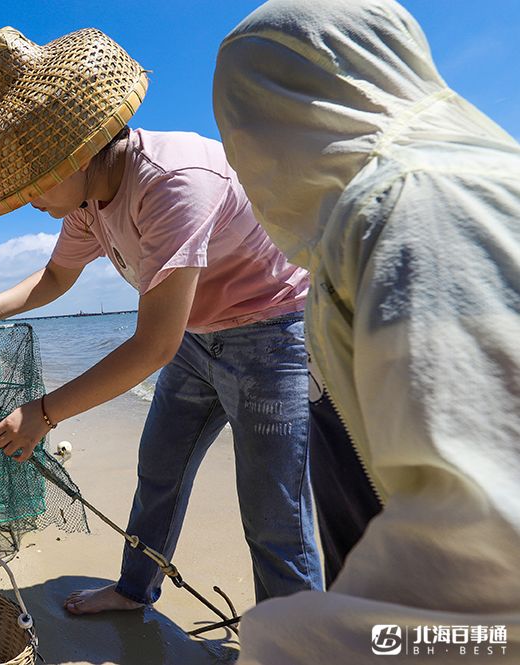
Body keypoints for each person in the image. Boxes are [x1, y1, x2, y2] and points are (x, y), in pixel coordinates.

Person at [0, 26, 323, 615]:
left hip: (271, 336)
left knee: (275, 514)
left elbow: (150, 347)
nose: (30, 200)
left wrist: (42, 414)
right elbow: (56, 278)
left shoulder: (174, 183)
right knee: (158, 475)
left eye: (34, 183)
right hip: (197, 339)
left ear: (74, 152)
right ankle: (133, 589)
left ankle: (299, 644)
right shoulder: (87, 199)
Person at [212, 0, 520, 661]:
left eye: (247, 123)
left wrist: (287, 645)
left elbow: (485, 566)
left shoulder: (420, 206)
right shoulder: (373, 222)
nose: (244, 164)